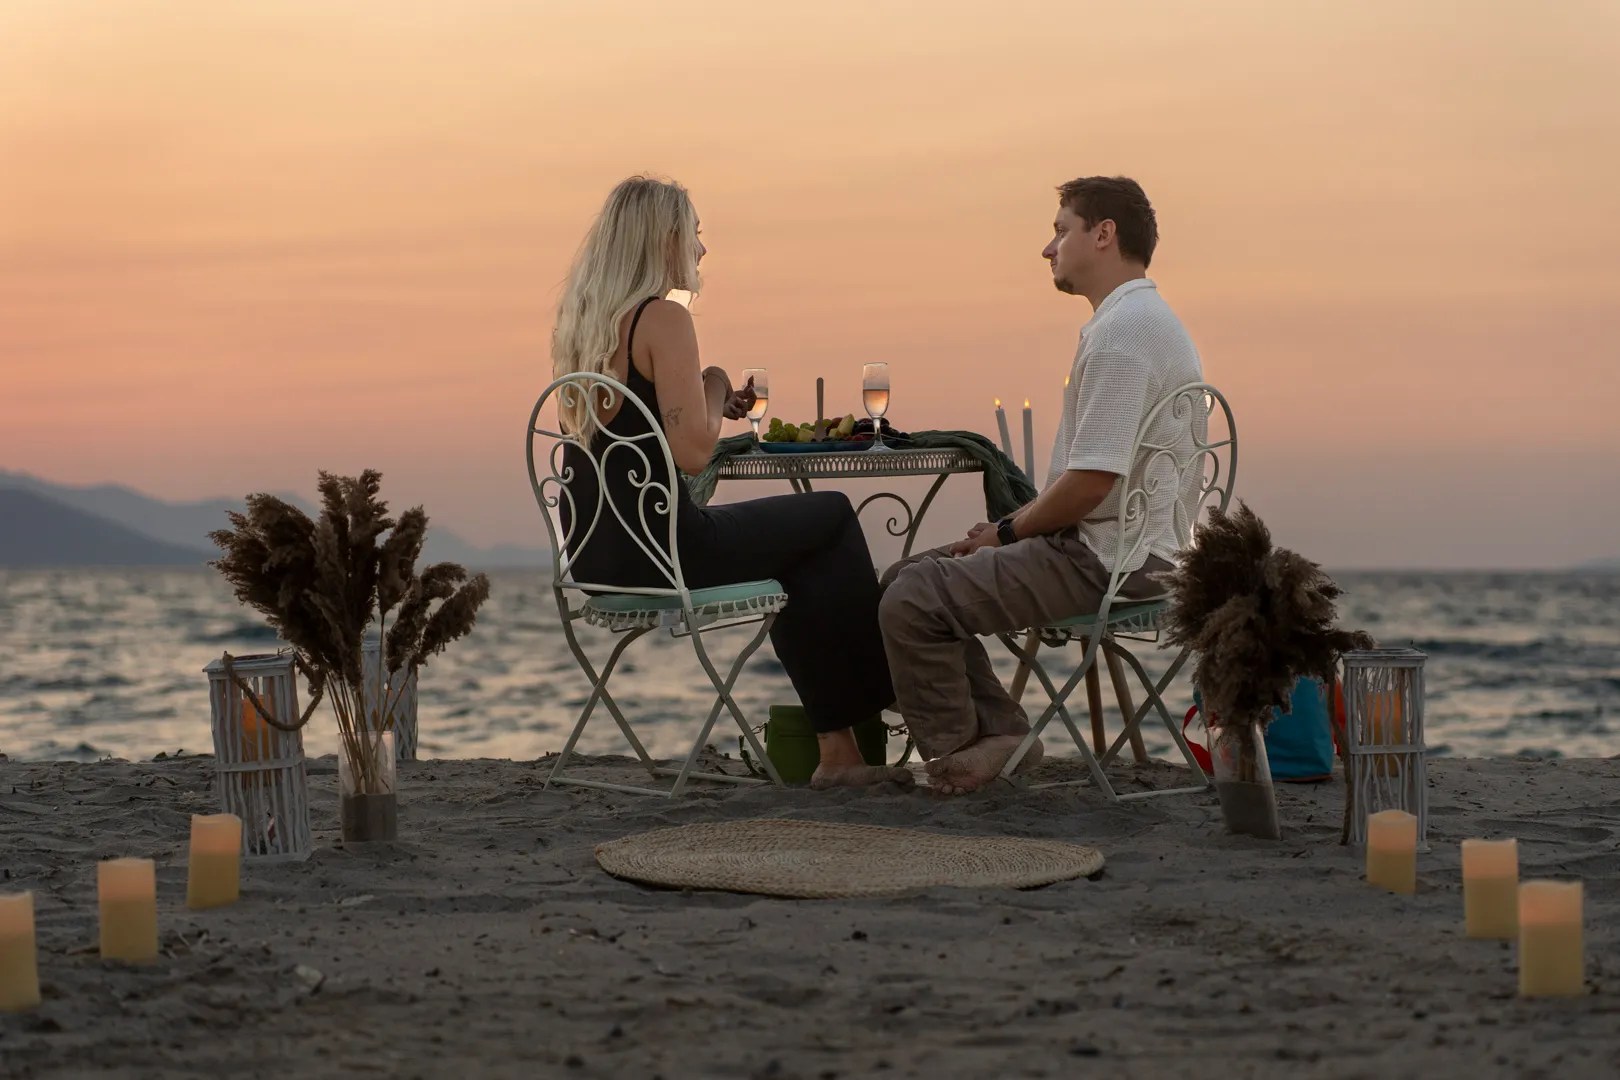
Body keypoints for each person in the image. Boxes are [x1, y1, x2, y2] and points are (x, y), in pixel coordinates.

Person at [551, 176, 910, 789]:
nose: (701, 249)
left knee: (801, 555)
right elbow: (693, 453)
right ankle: (898, 701)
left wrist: (706, 395)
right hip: (667, 550)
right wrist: (714, 382)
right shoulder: (663, 318)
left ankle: (841, 754)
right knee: (832, 515)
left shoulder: (583, 328)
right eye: (693, 233)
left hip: (597, 554)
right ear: (663, 239)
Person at [878, 175, 1206, 795]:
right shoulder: (1145, 321)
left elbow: (1089, 485)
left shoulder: (1124, 335)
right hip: (1135, 547)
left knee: (910, 600)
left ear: (1103, 235)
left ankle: (957, 757)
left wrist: (1004, 531)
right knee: (903, 580)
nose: (1048, 248)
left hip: (1109, 557)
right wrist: (1008, 534)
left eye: (1060, 230)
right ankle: (1000, 738)